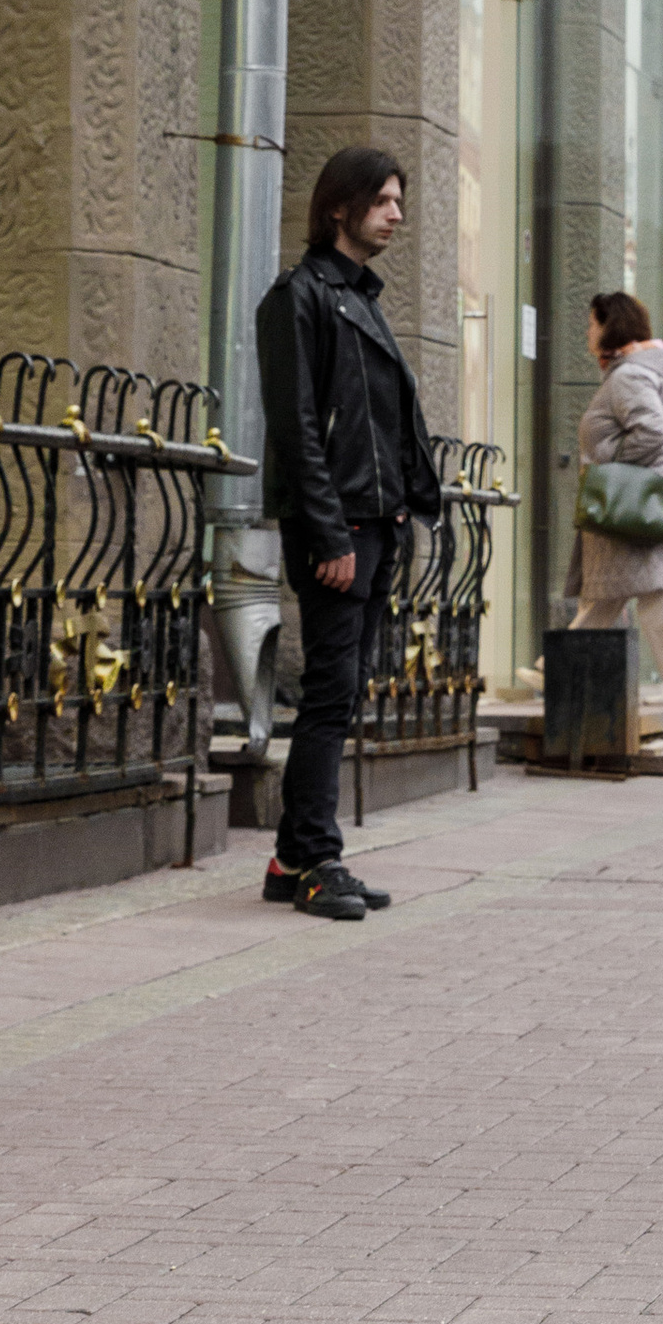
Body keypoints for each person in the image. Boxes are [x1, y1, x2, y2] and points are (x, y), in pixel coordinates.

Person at [254, 146, 442, 921]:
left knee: (342, 693)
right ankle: (313, 860)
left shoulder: (359, 299)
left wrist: (402, 510)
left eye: (400, 201)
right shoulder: (298, 297)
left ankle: (293, 859)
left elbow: (379, 423)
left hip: (373, 527)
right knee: (329, 696)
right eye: (384, 201)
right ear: (341, 206)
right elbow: (296, 428)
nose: (397, 214)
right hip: (336, 531)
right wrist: (330, 534)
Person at [567, 290, 663, 697]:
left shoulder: (630, 375)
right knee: (612, 591)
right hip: (645, 496)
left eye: (592, 322)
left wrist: (609, 460)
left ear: (611, 326)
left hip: (638, 498)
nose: (587, 330)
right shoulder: (637, 371)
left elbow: (651, 430)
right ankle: (561, 667)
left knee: (655, 588)